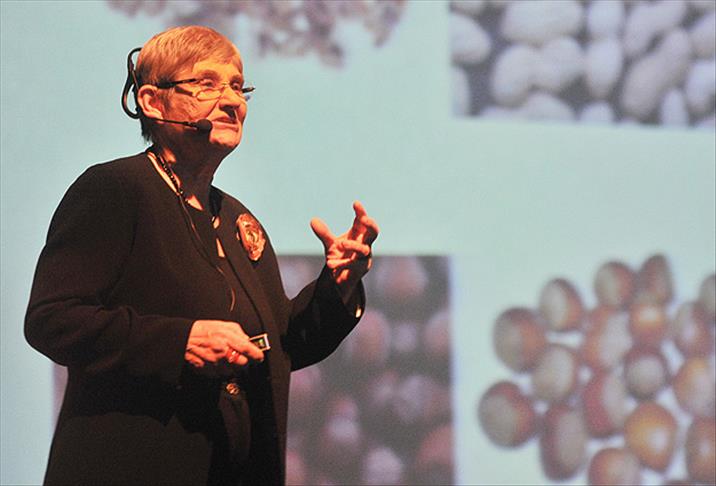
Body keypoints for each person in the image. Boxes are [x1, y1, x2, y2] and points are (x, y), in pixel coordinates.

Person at [24, 25, 378, 485]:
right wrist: (180, 343)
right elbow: (52, 320)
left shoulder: (237, 219)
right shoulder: (115, 190)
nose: (232, 101)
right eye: (207, 84)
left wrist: (337, 287)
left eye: (237, 86)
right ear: (152, 102)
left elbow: (280, 347)